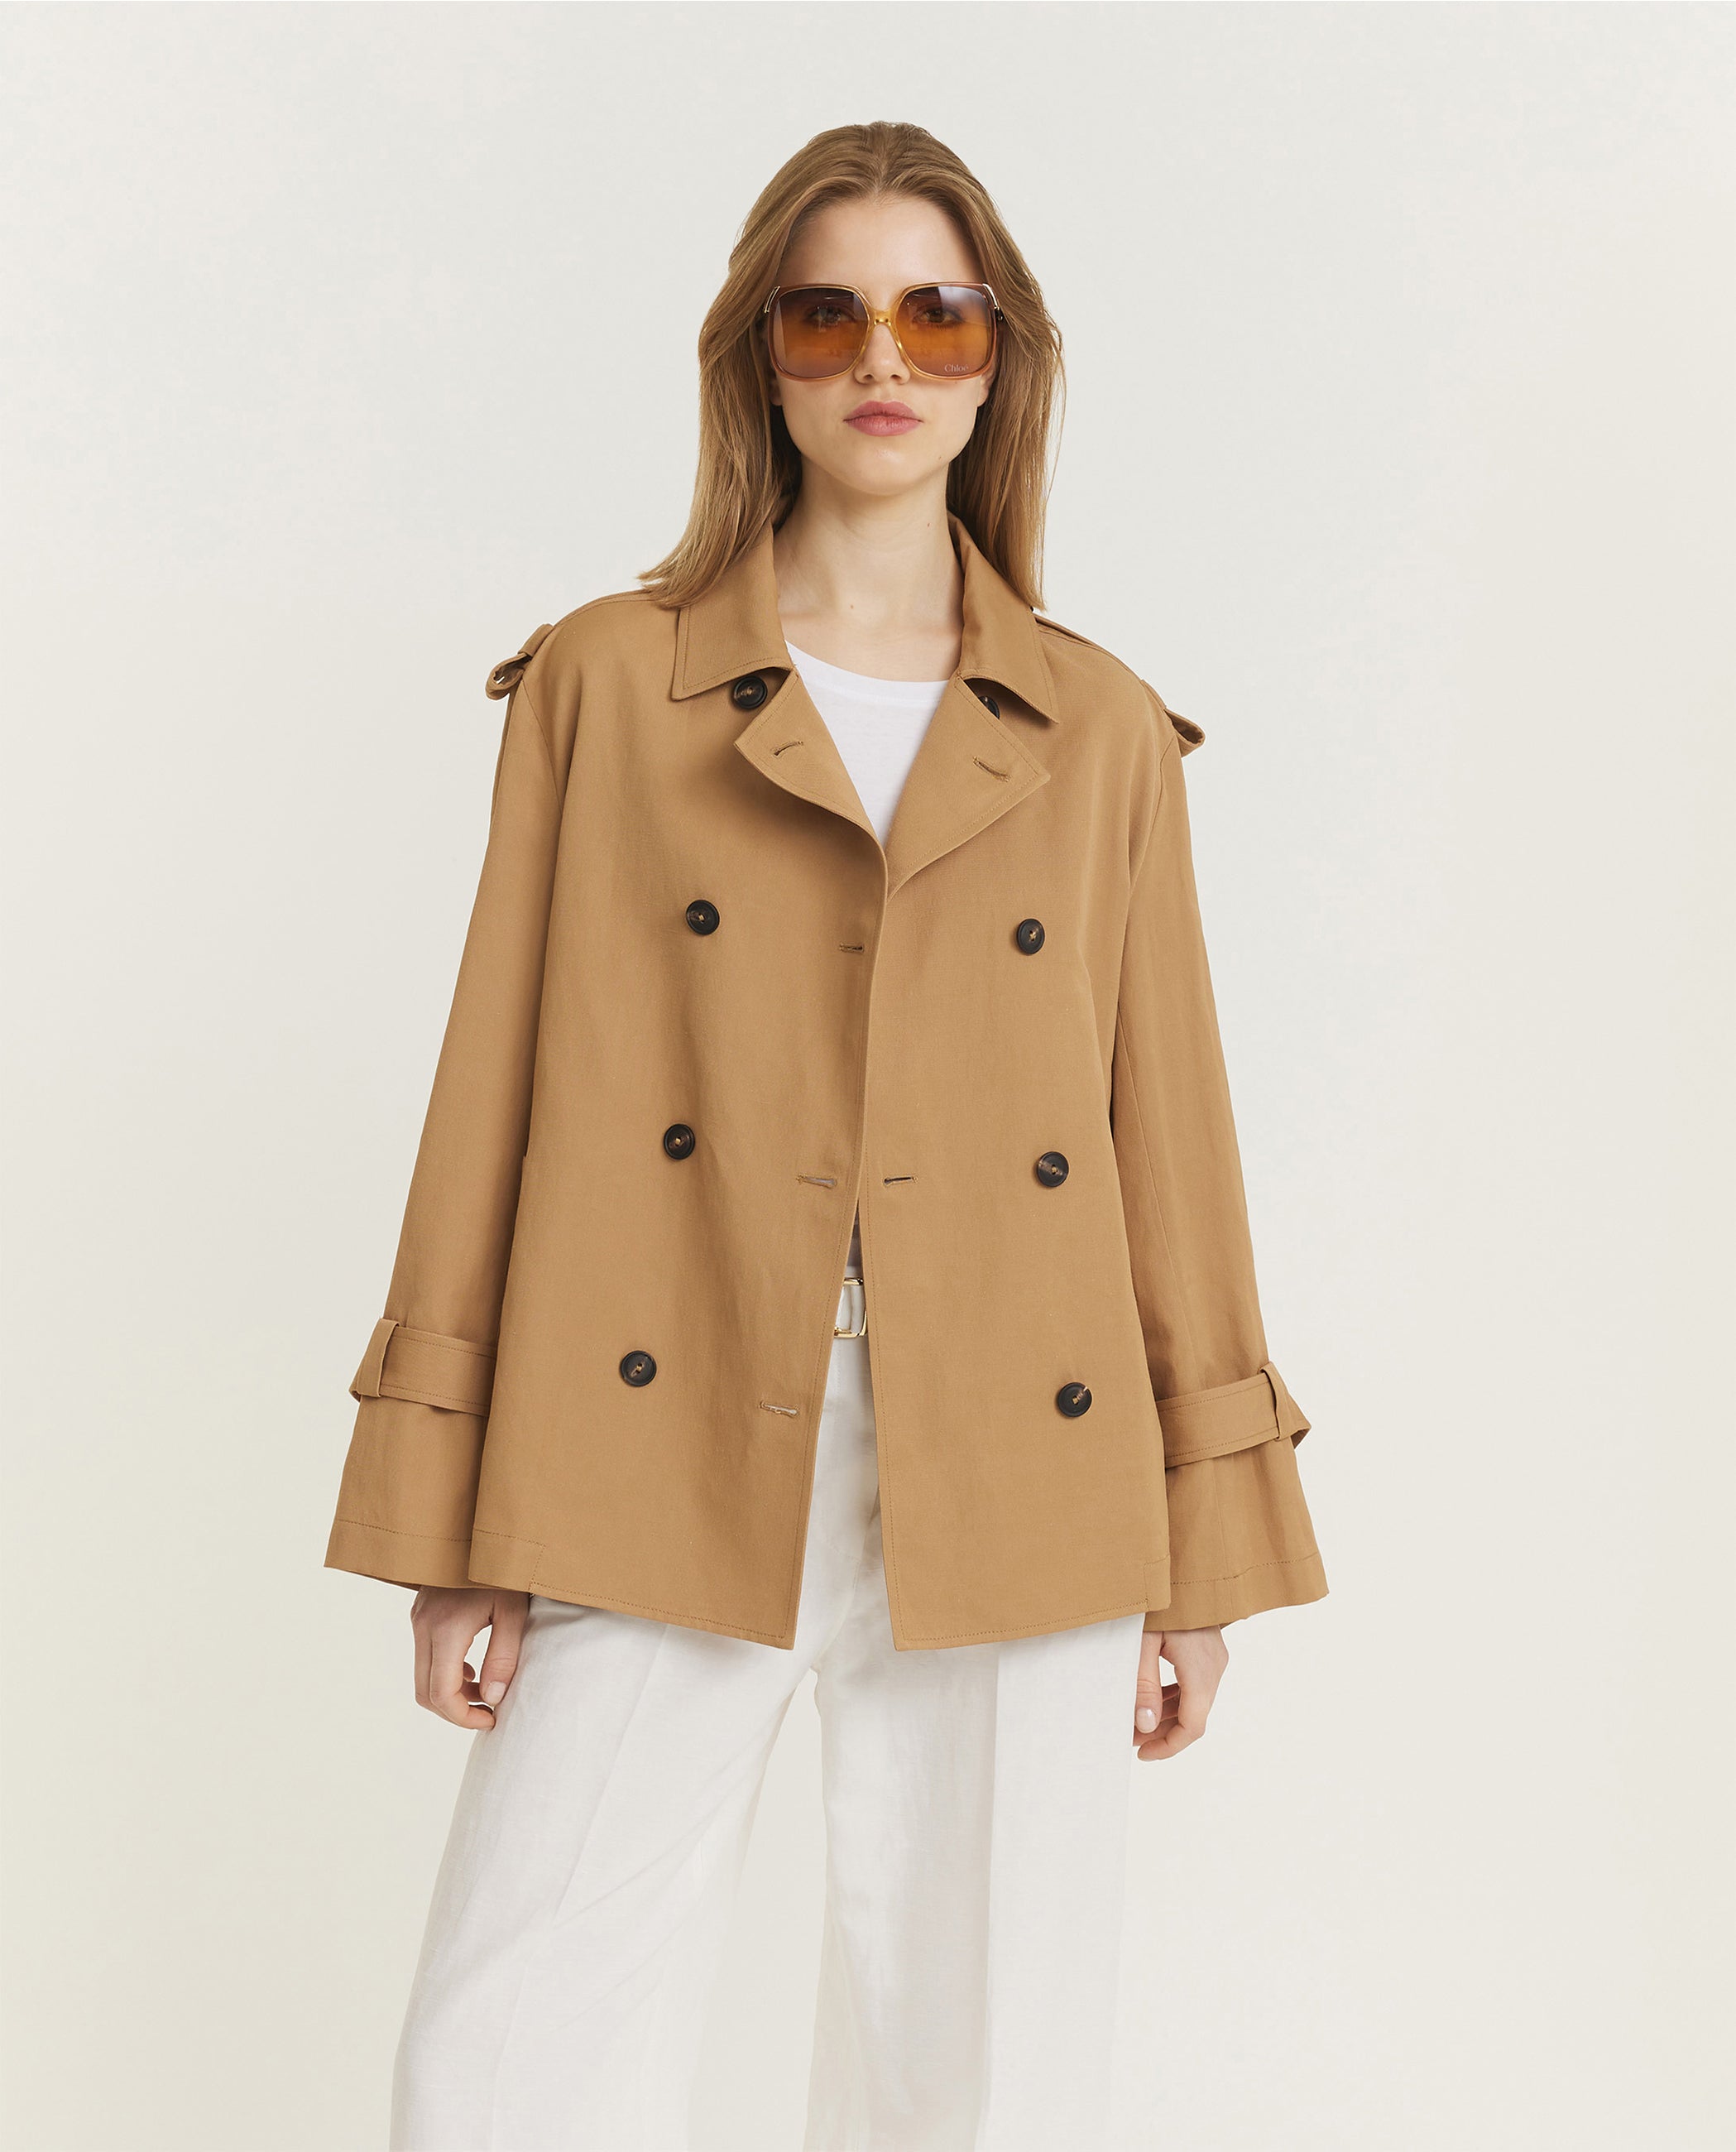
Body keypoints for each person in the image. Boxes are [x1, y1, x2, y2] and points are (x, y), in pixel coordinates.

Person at [325, 119, 1327, 2152]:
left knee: (982, 2090)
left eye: (935, 313)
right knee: (503, 2065)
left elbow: (1165, 1137)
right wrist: (445, 1518)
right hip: (660, 1419)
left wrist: (1202, 1550)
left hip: (1019, 1456)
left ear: (996, 359)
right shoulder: (608, 683)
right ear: (758, 360)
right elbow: (490, 1088)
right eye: (826, 313)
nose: (883, 356)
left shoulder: (1095, 727)